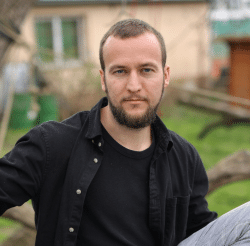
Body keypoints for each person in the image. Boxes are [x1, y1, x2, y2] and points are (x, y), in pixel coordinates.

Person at [0, 19, 250, 246]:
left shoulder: (182, 156)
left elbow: (199, 231)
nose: (133, 86)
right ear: (103, 78)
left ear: (165, 76)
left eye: (146, 70)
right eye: (120, 71)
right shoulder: (52, 144)